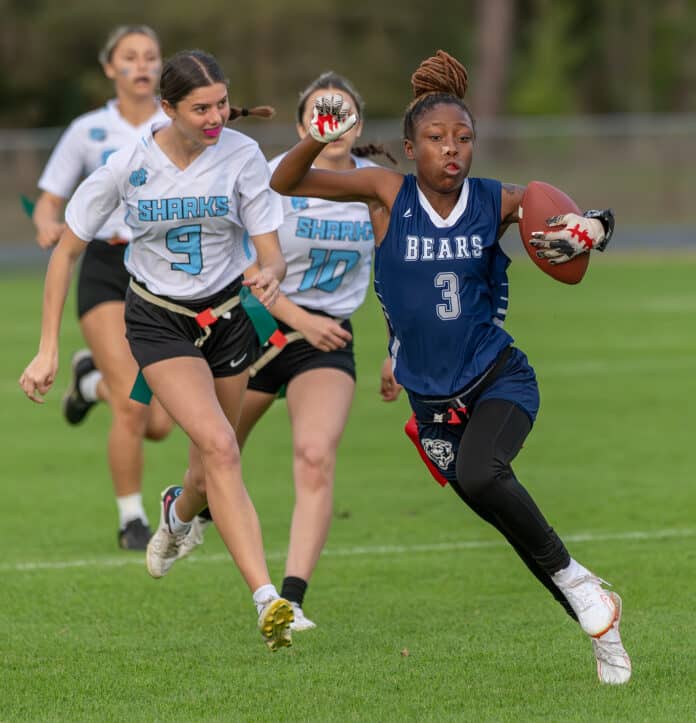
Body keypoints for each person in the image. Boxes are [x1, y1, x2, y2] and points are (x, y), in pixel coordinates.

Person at [269, 50, 631, 682]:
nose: (452, 150)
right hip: (430, 403)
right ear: (410, 148)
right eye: (436, 138)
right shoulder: (386, 194)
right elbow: (286, 184)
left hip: (499, 378)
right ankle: (598, 618)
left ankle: (584, 592)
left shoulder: (496, 201)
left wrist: (593, 229)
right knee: (508, 521)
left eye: (464, 138)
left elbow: (569, 219)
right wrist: (313, 137)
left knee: (486, 475)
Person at [19, 49, 295, 651]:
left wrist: (269, 271)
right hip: (158, 322)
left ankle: (177, 513)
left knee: (206, 467)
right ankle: (268, 600)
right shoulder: (130, 165)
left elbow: (269, 248)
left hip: (228, 317)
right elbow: (66, 251)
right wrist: (46, 349)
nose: (217, 116)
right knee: (221, 445)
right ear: (167, 109)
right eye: (202, 108)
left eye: (223, 102)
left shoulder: (243, 156)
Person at [176, 72, 395, 631]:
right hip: (254, 326)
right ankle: (183, 511)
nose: (332, 123)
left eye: (342, 113)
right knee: (214, 462)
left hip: (326, 343)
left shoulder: (377, 187)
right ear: (302, 127)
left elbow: (399, 274)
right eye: (321, 114)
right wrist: (297, 318)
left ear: (359, 124)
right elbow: (238, 261)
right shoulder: (273, 176)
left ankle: (292, 599)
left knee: (316, 457)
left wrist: (399, 346)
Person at [32, 25, 174, 550]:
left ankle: (89, 383)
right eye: (130, 57)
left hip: (160, 273)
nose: (141, 66)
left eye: (150, 57)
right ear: (109, 67)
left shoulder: (176, 124)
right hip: (104, 268)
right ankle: (131, 519)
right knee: (133, 407)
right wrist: (48, 222)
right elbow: (50, 199)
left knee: (159, 422)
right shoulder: (87, 130)